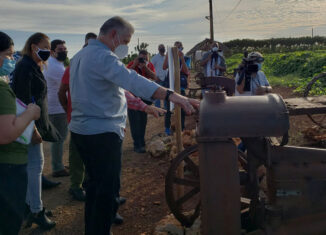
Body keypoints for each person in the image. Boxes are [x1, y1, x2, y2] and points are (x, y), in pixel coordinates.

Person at [69, 16, 198, 235]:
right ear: (113, 35)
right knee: (105, 193)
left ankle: (93, 229)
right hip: (101, 134)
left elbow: (118, 89)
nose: (126, 45)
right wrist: (170, 95)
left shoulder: (80, 56)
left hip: (82, 131)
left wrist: (145, 106)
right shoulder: (103, 57)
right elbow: (132, 79)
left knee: (94, 187)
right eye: (126, 40)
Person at [11, 32, 60, 230]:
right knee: (35, 167)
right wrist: (32, 130)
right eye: (45, 46)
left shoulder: (32, 65)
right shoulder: (25, 67)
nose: (48, 50)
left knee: (32, 167)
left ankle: (31, 206)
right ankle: (36, 211)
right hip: (30, 126)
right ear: (33, 46)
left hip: (33, 124)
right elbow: (22, 100)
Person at [0, 31, 41, 235]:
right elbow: (6, 134)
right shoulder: (0, 88)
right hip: (8, 166)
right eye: (8, 54)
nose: (11, 60)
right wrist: (30, 114)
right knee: (7, 223)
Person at [44, 39, 69, 177]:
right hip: (58, 107)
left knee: (59, 138)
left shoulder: (55, 63)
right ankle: (57, 168)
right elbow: (67, 84)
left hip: (55, 106)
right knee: (59, 138)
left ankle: (58, 164)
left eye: (65, 49)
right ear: (52, 51)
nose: (64, 52)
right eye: (60, 50)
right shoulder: (54, 66)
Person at [127, 50, 157, 153]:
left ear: (148, 58)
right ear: (138, 57)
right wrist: (135, 65)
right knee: (134, 121)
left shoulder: (149, 65)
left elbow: (154, 76)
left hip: (144, 97)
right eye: (141, 58)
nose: (143, 60)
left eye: (145, 58)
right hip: (132, 97)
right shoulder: (132, 63)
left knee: (143, 120)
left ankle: (142, 142)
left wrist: (145, 67)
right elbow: (125, 76)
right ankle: (137, 144)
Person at [162, 41, 189, 135]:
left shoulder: (186, 58)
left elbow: (186, 71)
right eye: (176, 47)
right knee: (168, 109)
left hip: (180, 87)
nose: (177, 49)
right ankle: (167, 128)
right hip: (170, 87)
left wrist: (181, 57)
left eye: (179, 47)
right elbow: (164, 67)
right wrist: (167, 56)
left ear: (182, 48)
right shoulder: (170, 58)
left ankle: (181, 129)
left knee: (182, 109)